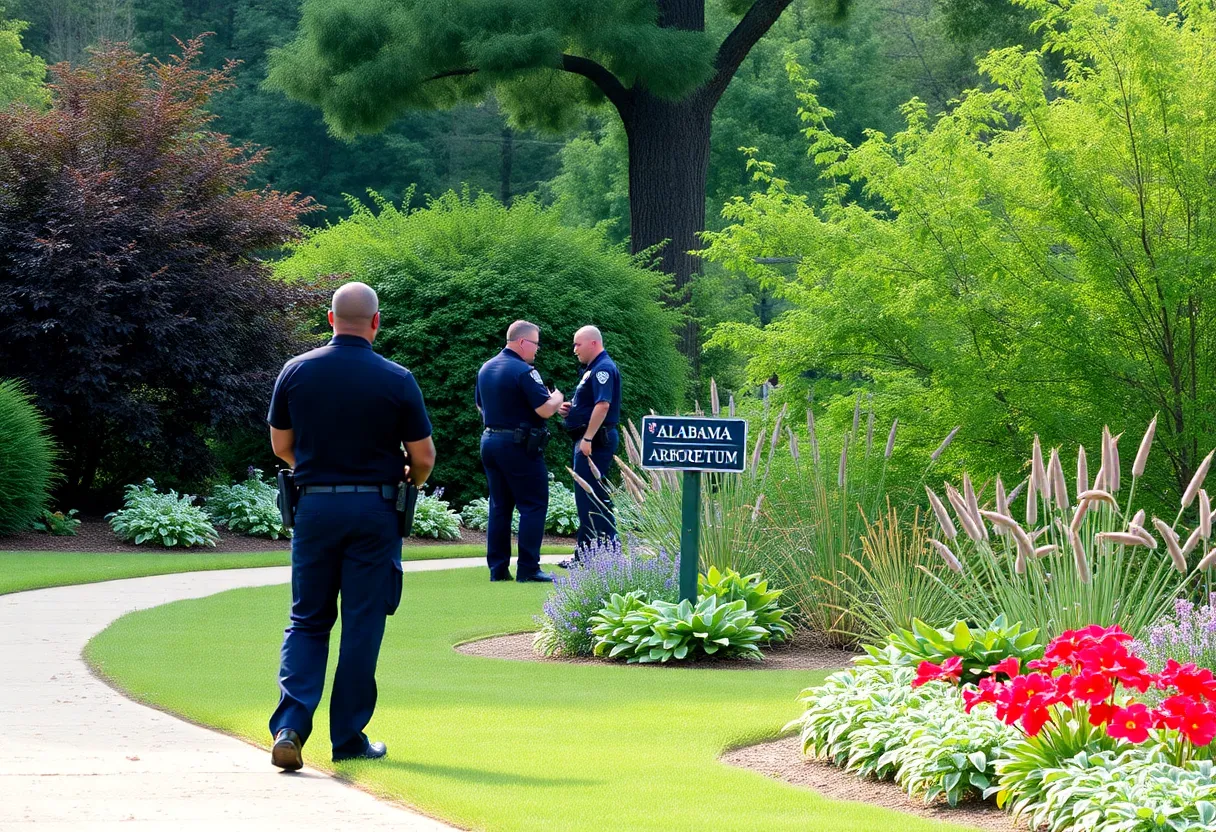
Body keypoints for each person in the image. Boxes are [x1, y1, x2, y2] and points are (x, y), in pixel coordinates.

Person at [265, 281, 435, 772]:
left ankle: (290, 727)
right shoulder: (397, 378)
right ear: (376, 322)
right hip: (374, 512)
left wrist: (319, 471)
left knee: (308, 620)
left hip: (315, 508)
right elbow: (423, 457)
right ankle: (348, 739)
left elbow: (281, 444)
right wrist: (409, 476)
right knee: (363, 624)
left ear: (329, 318)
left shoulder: (296, 371)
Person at [475, 320, 563, 583]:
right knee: (533, 504)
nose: (537, 350)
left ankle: (498, 569)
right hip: (519, 445)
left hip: (490, 441)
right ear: (523, 342)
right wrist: (557, 396)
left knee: (500, 506)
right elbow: (545, 409)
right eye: (536, 344)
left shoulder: (486, 368)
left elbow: (481, 406)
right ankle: (528, 568)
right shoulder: (525, 371)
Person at [558, 325, 621, 558]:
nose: (574, 349)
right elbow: (591, 404)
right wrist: (570, 410)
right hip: (590, 439)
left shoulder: (602, 368)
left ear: (593, 343)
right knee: (587, 498)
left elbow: (603, 405)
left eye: (578, 344)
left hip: (594, 442)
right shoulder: (591, 369)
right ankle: (586, 554)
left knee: (592, 497)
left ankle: (606, 553)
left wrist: (587, 438)